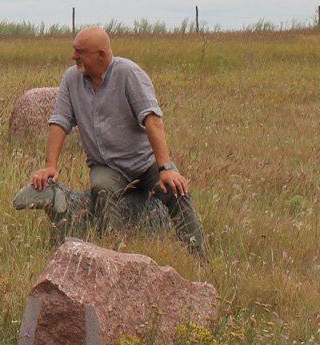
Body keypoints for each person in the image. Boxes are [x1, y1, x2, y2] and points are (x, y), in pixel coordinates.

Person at [29, 27, 205, 257]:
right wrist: (50, 165)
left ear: (101, 55)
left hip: (144, 162)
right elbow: (60, 121)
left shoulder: (129, 73)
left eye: (80, 52)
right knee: (101, 189)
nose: (74, 56)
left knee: (175, 189)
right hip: (107, 166)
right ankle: (114, 255)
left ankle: (198, 258)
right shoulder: (71, 78)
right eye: (74, 50)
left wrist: (166, 168)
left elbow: (153, 121)